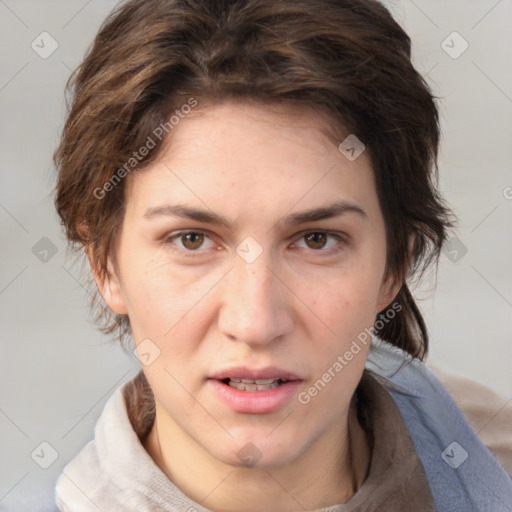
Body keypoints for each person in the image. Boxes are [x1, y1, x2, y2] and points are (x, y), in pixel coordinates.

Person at [52, 0, 512, 510]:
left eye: (317, 239)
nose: (255, 323)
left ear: (394, 264)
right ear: (105, 265)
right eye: (192, 240)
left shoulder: (493, 451)